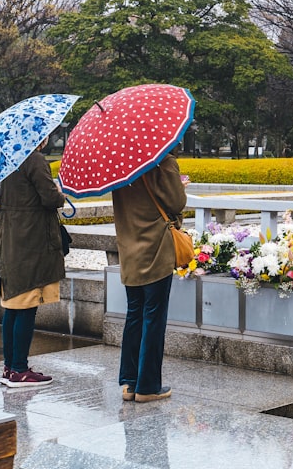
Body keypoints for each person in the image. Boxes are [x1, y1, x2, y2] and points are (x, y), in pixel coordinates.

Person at [112, 146, 188, 403]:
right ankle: (148, 386)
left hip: (130, 252)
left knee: (134, 314)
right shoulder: (163, 161)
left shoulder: (119, 162)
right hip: (155, 250)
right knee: (153, 318)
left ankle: (129, 382)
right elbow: (177, 203)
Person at [0, 137, 66, 387]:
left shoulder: (9, 161)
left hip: (12, 243)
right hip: (31, 245)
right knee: (27, 306)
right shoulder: (34, 160)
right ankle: (20, 369)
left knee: (13, 307)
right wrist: (59, 192)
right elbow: (50, 199)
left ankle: (9, 366)